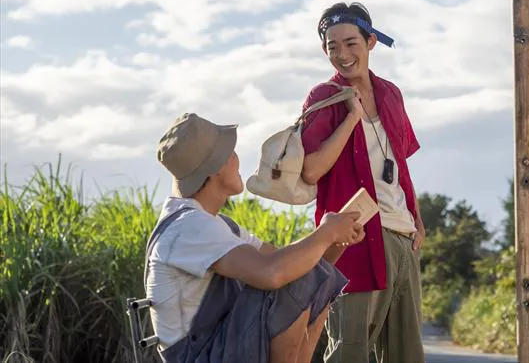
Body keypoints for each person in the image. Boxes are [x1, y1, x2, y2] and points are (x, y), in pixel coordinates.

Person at [145, 112, 365, 363]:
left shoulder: (212, 224)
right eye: (231, 153)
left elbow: (289, 263)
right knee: (286, 280)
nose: (238, 159)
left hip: (217, 346)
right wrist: (325, 232)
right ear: (215, 167)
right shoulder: (189, 227)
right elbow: (272, 273)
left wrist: (335, 240)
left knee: (300, 273)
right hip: (200, 355)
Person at [300, 2, 426, 363]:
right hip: (352, 239)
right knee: (350, 351)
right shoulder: (324, 97)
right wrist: (351, 117)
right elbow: (311, 171)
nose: (342, 54)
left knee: (407, 353)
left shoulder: (391, 94)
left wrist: (417, 218)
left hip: (402, 237)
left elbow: (399, 165)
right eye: (332, 46)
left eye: (351, 43)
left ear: (371, 42)